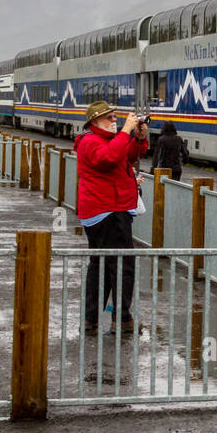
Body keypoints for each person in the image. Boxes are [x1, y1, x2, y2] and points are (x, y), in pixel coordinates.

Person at [74, 100, 148, 334]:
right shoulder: (90, 141)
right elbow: (107, 159)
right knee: (122, 263)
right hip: (108, 211)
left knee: (102, 264)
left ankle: (92, 318)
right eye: (110, 118)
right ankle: (122, 318)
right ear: (94, 121)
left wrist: (138, 137)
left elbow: (131, 154)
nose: (115, 120)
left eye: (115, 117)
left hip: (108, 209)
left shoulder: (104, 139)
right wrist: (126, 131)